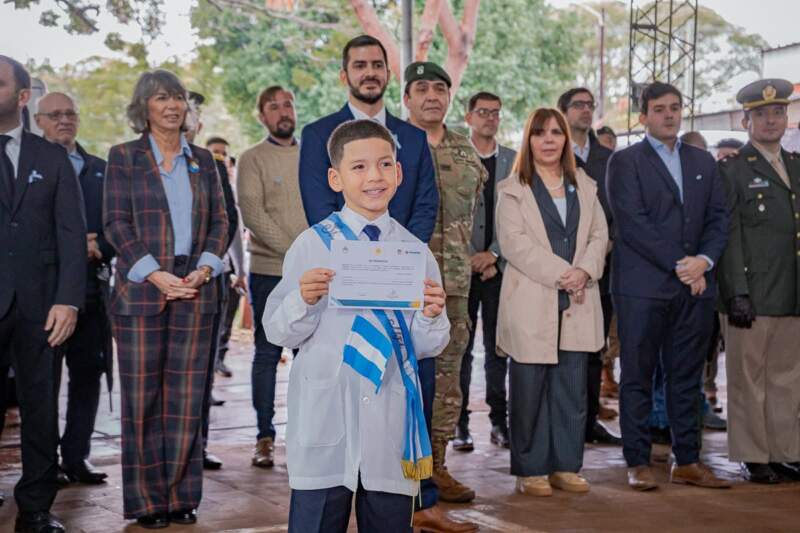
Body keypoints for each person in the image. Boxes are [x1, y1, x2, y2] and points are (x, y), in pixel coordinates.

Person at [265, 119, 450, 533]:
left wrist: (431, 314)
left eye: (385, 165)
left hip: (389, 421)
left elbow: (426, 344)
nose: (374, 177)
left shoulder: (414, 252)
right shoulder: (312, 245)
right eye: (359, 167)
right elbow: (278, 331)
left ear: (399, 174)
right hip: (327, 415)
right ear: (336, 178)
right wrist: (304, 299)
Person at [103, 69, 229, 528]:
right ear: (145, 107)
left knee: (186, 399)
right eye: (161, 98)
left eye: (178, 98)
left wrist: (205, 268)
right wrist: (155, 274)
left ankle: (180, 496)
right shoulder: (123, 157)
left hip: (196, 287)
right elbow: (116, 223)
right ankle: (147, 503)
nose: (172, 106)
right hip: (141, 290)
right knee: (143, 401)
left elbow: (221, 221)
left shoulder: (204, 160)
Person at [606, 81, 730, 491]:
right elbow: (633, 223)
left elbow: (718, 218)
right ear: (643, 117)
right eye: (659, 109)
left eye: (675, 107)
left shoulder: (703, 161)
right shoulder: (625, 162)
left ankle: (688, 460)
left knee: (686, 376)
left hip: (693, 289)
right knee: (638, 377)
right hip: (643, 287)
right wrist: (684, 267)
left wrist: (705, 262)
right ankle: (638, 461)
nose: (669, 115)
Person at [496, 107, 608, 497]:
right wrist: (566, 274)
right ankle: (531, 469)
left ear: (565, 139)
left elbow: (598, 237)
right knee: (529, 391)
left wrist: (585, 272)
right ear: (528, 140)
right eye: (539, 133)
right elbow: (515, 245)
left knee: (572, 388)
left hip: (578, 299)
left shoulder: (587, 186)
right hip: (533, 298)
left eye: (555, 133)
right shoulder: (512, 190)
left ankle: (565, 465)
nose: (548, 140)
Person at [0, 55, 86, 533]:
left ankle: (35, 507)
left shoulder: (50, 156)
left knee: (39, 407)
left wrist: (68, 299)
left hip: (42, 305)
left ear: (22, 96)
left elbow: (71, 233)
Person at [404, 61, 486, 505]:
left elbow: (479, 210)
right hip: (398, 282)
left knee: (449, 379)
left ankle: (435, 468)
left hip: (451, 284)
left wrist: (487, 253)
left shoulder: (464, 150)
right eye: (422, 88)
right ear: (407, 99)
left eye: (440, 88)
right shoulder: (391, 144)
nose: (432, 95)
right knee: (398, 378)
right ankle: (393, 471)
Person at [718, 78, 800, 484]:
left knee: (786, 379)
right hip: (751, 293)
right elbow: (729, 234)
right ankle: (754, 455)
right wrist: (736, 291)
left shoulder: (797, 166)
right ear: (745, 120)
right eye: (762, 114)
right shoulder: (734, 169)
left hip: (791, 290)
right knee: (748, 379)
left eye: (778, 112)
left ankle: (785, 450)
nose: (771, 120)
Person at [34, 92, 113, 486]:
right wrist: (68, 243)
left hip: (92, 295)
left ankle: (76, 457)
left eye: (70, 114)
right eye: (54, 115)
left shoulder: (101, 169)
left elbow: (118, 223)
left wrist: (102, 245)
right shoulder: (25, 167)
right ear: (38, 120)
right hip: (44, 296)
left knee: (88, 376)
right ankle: (44, 464)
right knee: (43, 383)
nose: (63, 120)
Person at [298, 34, 439, 242]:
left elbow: (425, 206)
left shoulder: (415, 138)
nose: (370, 73)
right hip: (343, 262)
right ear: (344, 76)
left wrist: (406, 253)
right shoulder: (317, 135)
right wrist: (361, 260)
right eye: (360, 66)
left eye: (377, 65)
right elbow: (318, 206)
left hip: (403, 263)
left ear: (388, 74)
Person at [237, 85, 307, 469]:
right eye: (273, 107)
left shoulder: (314, 154)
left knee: (309, 355)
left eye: (288, 104)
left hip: (314, 275)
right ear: (261, 116)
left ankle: (307, 433)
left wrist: (313, 256)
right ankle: (265, 435)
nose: (283, 111)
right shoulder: (252, 159)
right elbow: (252, 212)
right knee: (267, 354)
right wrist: (299, 251)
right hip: (269, 273)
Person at [452, 91, 516, 452]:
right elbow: (447, 215)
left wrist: (493, 254)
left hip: (499, 271)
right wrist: (470, 258)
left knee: (498, 350)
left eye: (495, 113)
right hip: (461, 270)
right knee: (461, 350)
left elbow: (520, 218)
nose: (490, 118)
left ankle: (498, 422)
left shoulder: (513, 160)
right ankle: (459, 424)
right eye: (483, 112)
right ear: (469, 117)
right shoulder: (454, 157)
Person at [557, 87, 620, 446]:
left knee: (595, 344)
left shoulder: (608, 158)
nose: (585, 111)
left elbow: (619, 209)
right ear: (563, 111)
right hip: (558, 267)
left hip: (600, 266)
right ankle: (561, 420)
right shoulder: (551, 152)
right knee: (558, 346)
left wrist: (606, 243)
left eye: (589, 105)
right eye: (577, 105)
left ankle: (590, 420)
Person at [183, 90, 241, 473]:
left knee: (200, 375)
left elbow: (228, 219)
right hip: (156, 283)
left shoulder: (212, 165)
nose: (187, 117)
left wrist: (207, 266)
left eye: (193, 112)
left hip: (205, 282)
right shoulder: (135, 161)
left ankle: (196, 448)